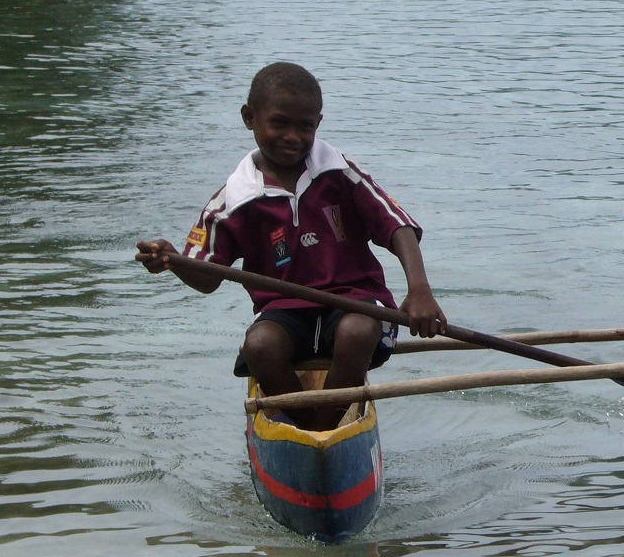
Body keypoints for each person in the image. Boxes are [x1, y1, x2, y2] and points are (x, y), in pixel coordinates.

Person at [136, 62, 446, 430]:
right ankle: (307, 427)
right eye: (279, 123)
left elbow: (397, 225)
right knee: (260, 345)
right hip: (284, 314)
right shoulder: (234, 200)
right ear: (249, 118)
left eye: (305, 126)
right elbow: (207, 277)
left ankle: (329, 422)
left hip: (354, 304)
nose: (292, 137)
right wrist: (173, 260)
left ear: (318, 124)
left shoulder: (341, 174)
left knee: (358, 331)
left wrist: (420, 290)